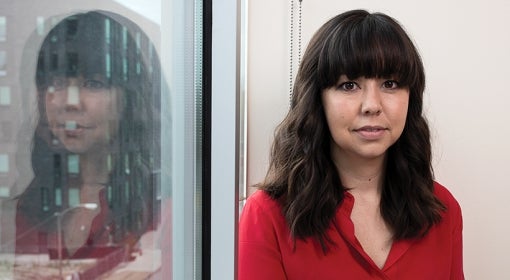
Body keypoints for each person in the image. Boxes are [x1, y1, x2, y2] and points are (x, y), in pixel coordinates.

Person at [239, 9, 463, 280]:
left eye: (390, 84)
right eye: (349, 86)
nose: (372, 105)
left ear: (411, 98)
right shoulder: (267, 217)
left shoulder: (443, 210)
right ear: (317, 100)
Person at [14, 10, 161, 265]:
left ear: (128, 99)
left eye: (93, 84)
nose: (69, 103)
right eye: (57, 83)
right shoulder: (34, 204)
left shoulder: (160, 207)